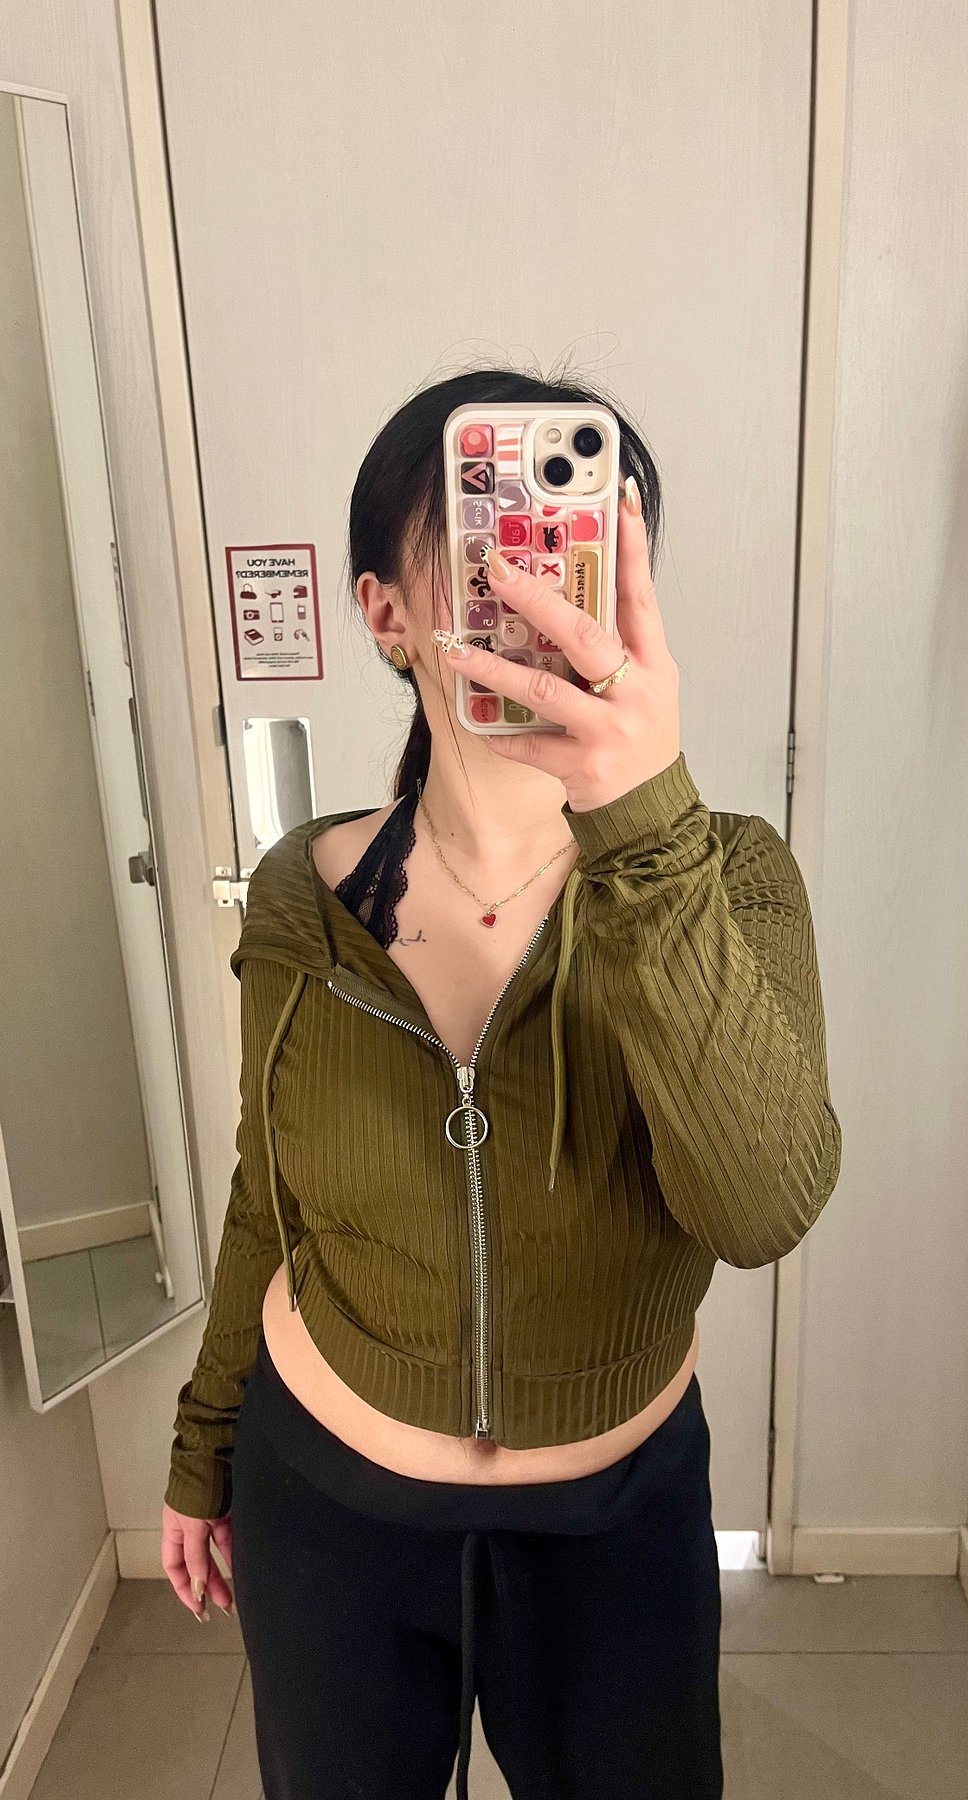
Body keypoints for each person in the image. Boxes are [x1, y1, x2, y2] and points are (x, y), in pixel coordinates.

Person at [161, 367, 843, 1800]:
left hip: (615, 1527)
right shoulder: (301, 895)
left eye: (576, 550)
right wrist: (201, 1440)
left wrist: (643, 822)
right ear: (385, 615)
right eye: (485, 546)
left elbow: (761, 1206)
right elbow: (266, 1194)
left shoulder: (724, 876)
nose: (534, 593)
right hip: (325, 1509)